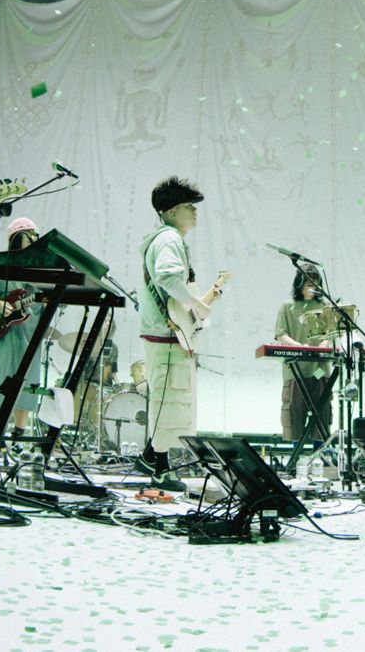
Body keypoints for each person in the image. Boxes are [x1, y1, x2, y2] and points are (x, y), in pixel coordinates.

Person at [134, 176, 225, 493]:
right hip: (165, 336)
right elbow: (168, 277)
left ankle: (152, 458)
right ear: (172, 211)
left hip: (163, 334)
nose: (195, 212)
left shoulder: (164, 239)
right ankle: (159, 469)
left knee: (168, 399)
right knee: (169, 400)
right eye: (189, 206)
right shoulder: (169, 239)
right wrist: (197, 303)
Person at [0, 217, 46, 445]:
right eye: (30, 235)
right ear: (17, 237)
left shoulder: (41, 267)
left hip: (29, 333)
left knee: (26, 385)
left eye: (36, 235)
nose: (34, 239)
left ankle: (17, 438)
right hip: (1, 335)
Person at [272, 267, 335, 446]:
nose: (313, 287)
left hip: (320, 370)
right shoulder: (287, 306)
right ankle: (296, 455)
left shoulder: (325, 307)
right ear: (299, 285)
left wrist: (325, 343)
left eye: (316, 284)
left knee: (322, 411)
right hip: (296, 369)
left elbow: (331, 333)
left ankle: (321, 454)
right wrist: (299, 347)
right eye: (309, 284)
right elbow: (280, 334)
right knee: (295, 412)